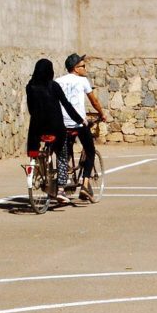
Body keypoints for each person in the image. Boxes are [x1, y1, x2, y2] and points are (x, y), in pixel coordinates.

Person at [25, 58, 87, 204]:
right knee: (62, 153)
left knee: (36, 150)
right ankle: (60, 189)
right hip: (55, 127)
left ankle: (38, 169)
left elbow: (30, 107)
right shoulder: (53, 86)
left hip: (37, 128)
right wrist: (80, 120)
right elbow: (67, 105)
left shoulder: (30, 86)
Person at [56, 53, 112, 202]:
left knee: (64, 152)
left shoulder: (58, 81)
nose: (85, 68)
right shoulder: (82, 81)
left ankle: (63, 179)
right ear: (75, 68)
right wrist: (102, 113)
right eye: (83, 66)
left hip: (62, 123)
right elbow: (94, 101)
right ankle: (85, 184)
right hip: (78, 123)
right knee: (90, 150)